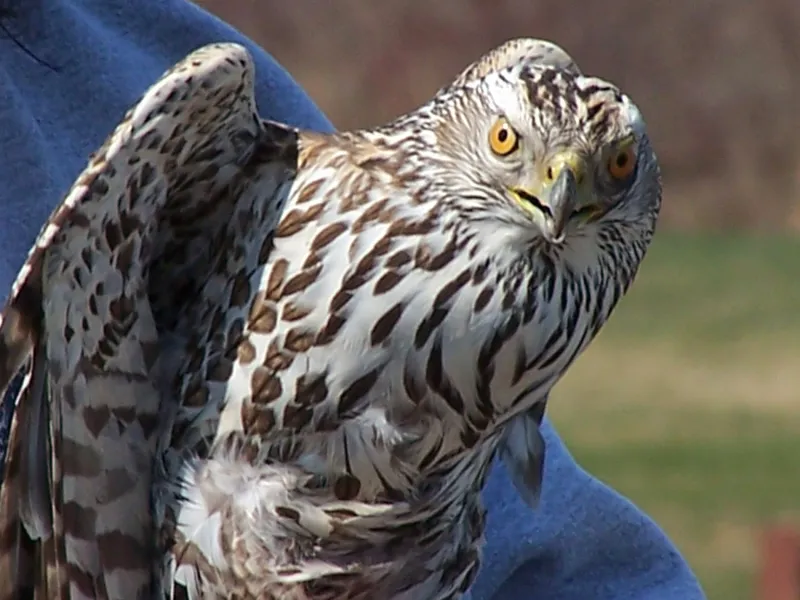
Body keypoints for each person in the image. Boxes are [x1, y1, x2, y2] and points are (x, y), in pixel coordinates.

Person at [0, 1, 705, 598]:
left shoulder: (529, 302)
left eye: (610, 171)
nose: (558, 193)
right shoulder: (190, 103)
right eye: (504, 142)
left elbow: (558, 552)